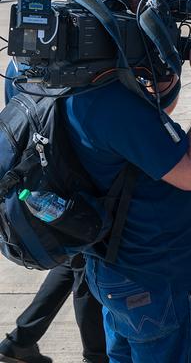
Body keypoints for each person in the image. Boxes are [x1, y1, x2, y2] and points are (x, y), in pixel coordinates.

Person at [63, 0, 191, 362]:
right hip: (158, 279)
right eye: (136, 11)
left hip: (111, 267)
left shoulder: (46, 77)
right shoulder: (109, 105)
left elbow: (148, 124)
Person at [0, 60, 107, 363]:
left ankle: (21, 340)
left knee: (72, 261)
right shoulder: (75, 63)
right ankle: (97, 356)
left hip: (43, 179)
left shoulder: (17, 64)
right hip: (71, 184)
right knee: (85, 267)